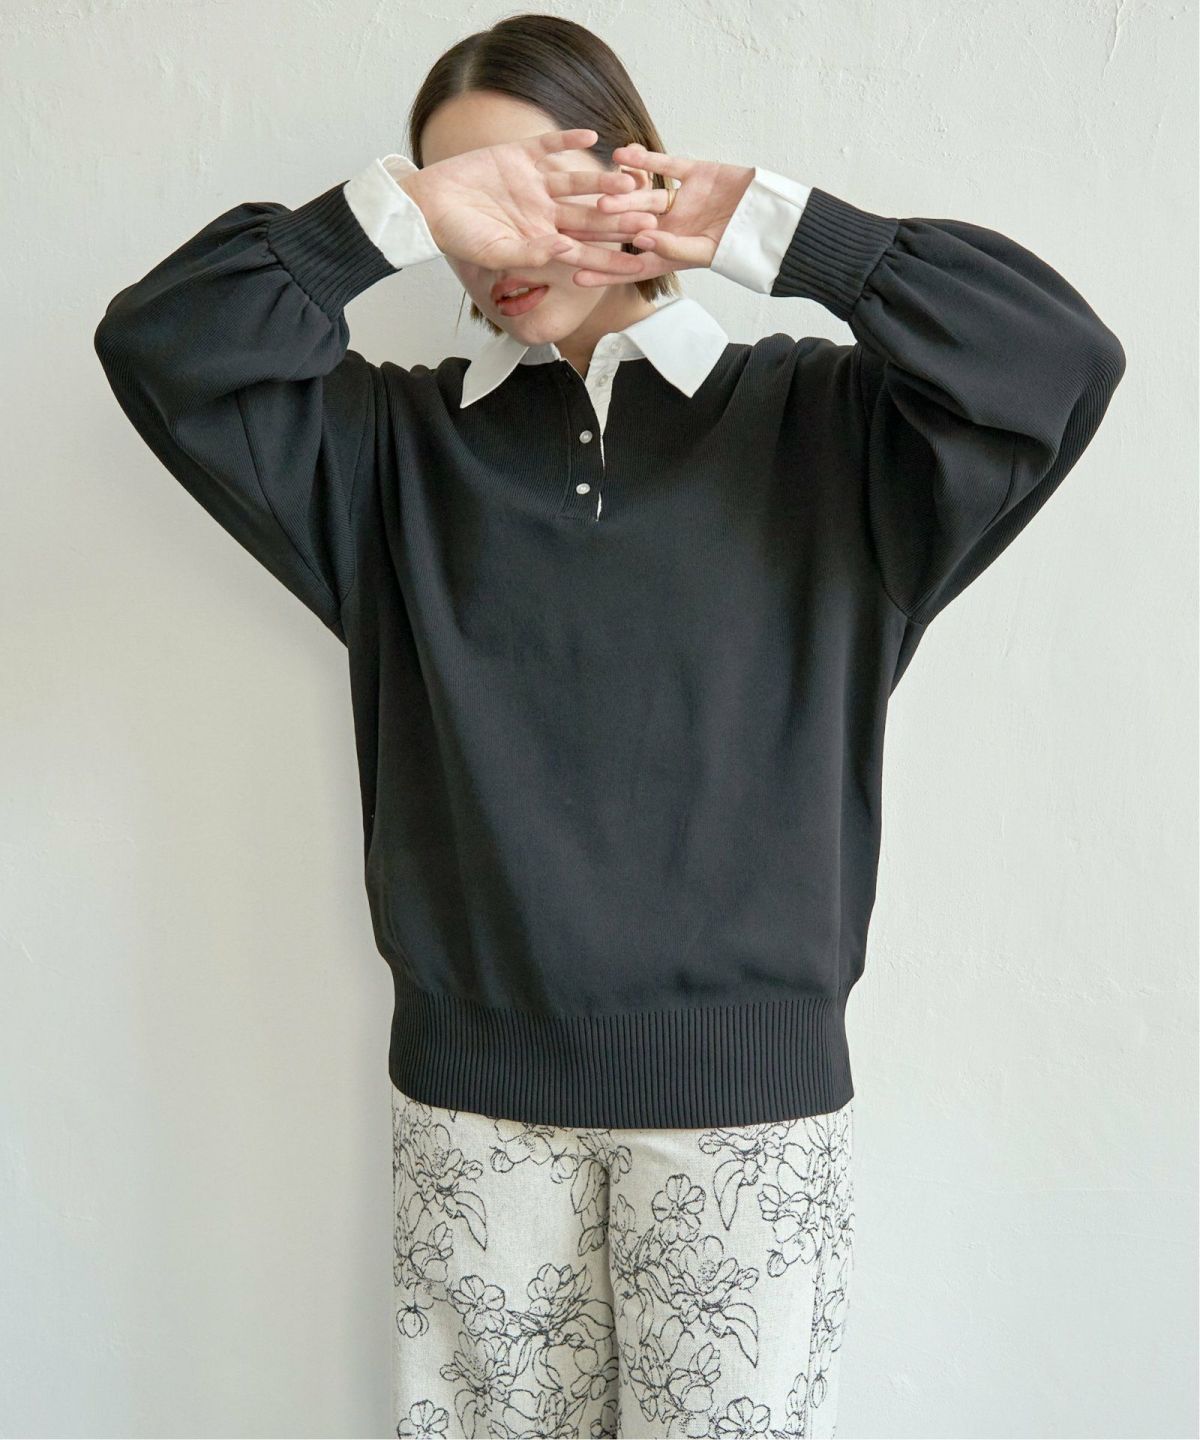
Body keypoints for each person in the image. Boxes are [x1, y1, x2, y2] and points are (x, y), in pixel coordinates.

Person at [93, 14, 1126, 1439]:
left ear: (632, 170)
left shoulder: (831, 432)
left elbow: (1057, 357)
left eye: (539, 175)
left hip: (749, 1118)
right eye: (465, 198)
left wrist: (781, 231)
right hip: (474, 1109)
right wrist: (387, 217)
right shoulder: (386, 453)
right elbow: (159, 345)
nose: (502, 233)